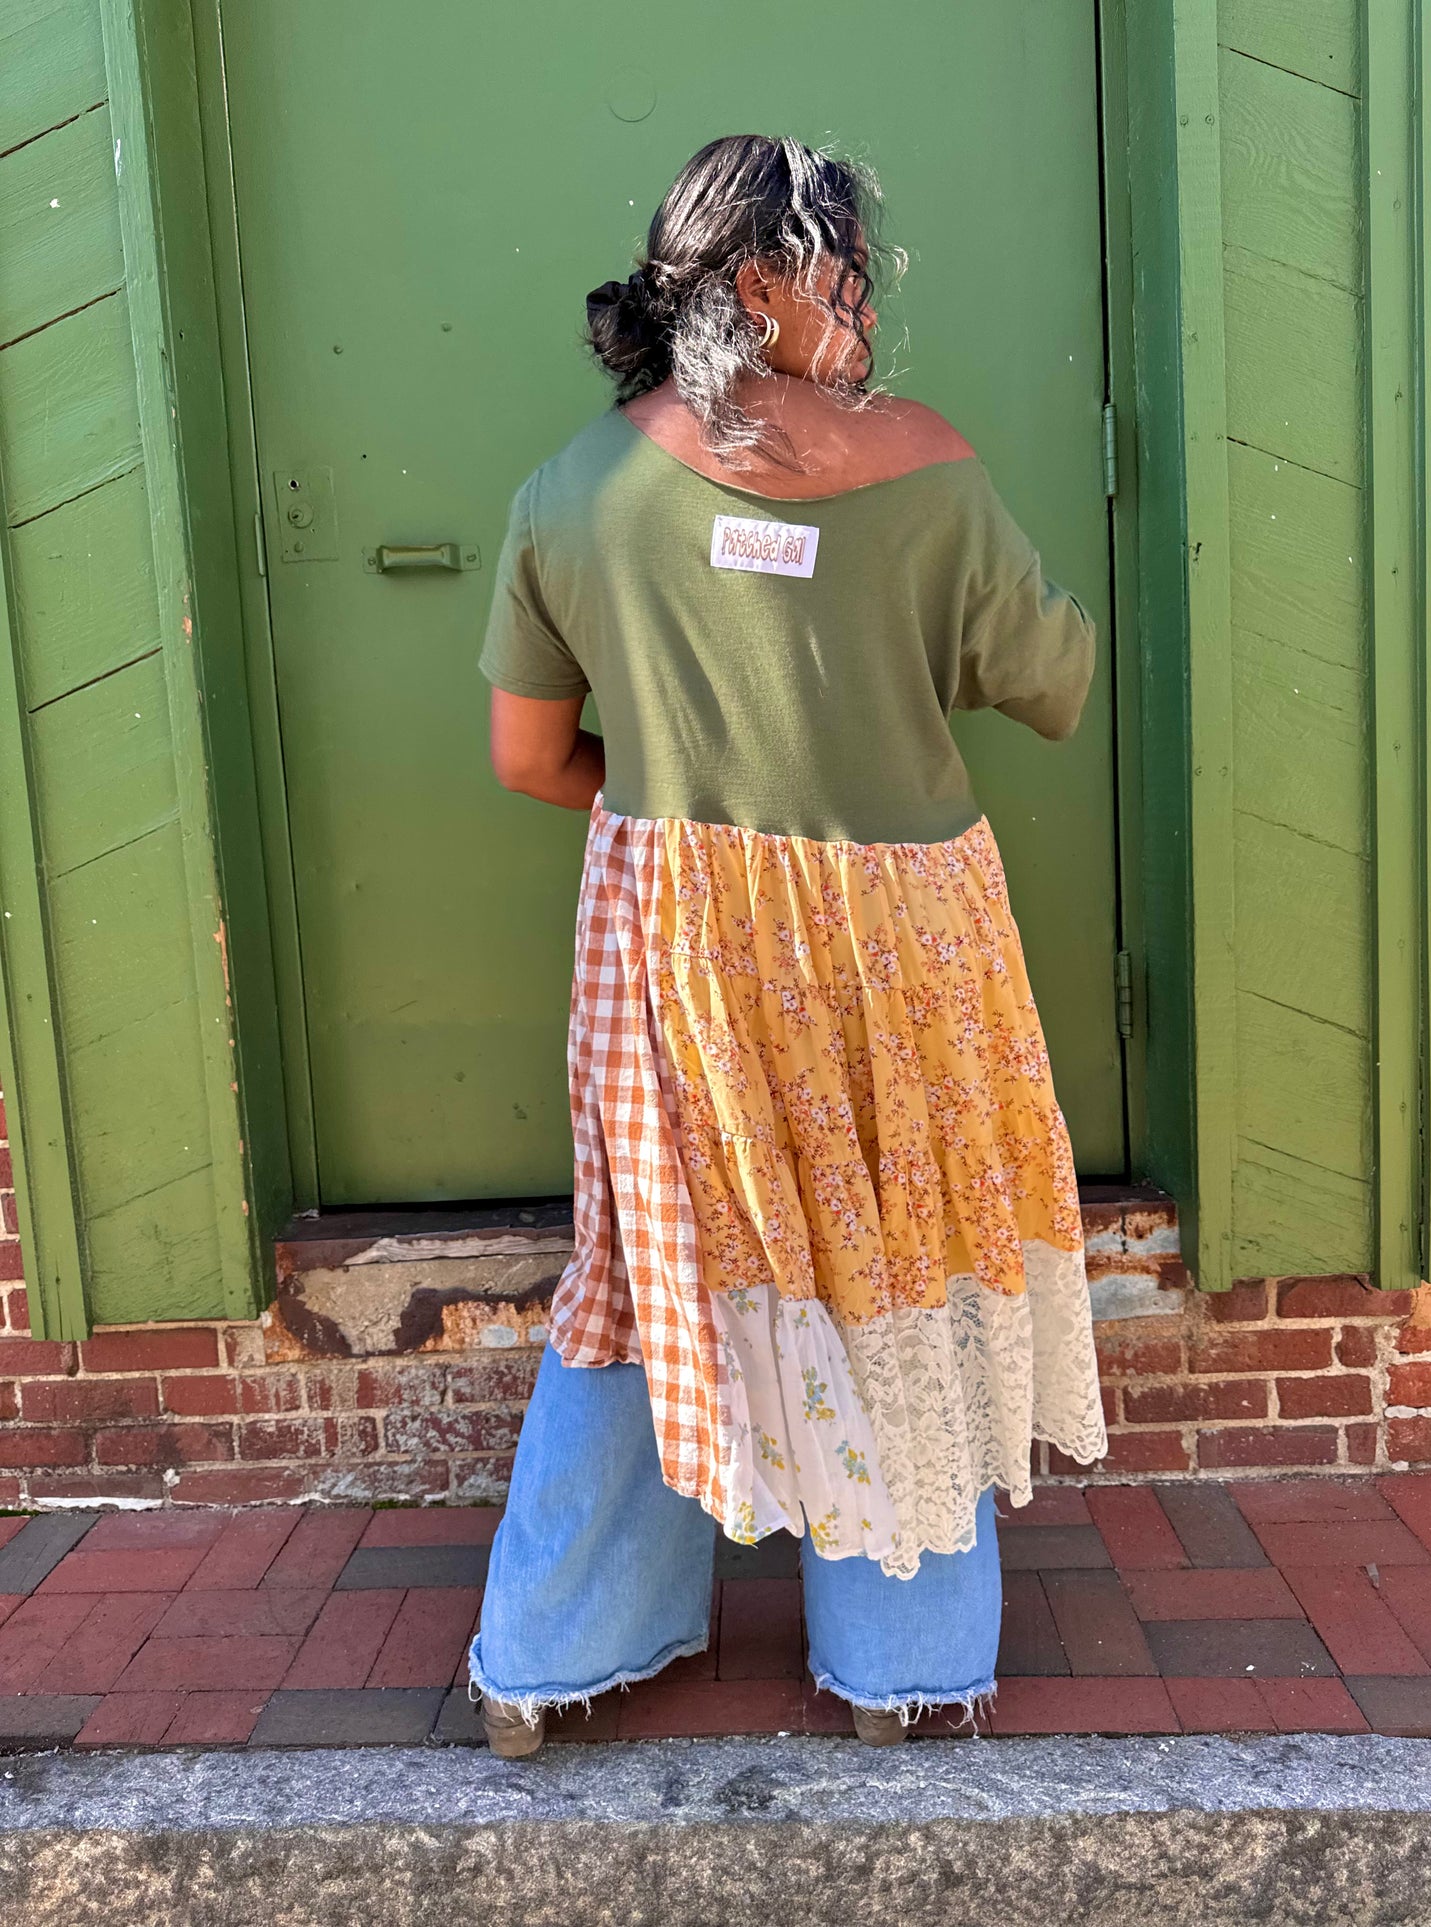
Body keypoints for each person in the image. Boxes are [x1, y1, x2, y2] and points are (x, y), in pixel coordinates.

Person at [467, 133, 1108, 1756]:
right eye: (850, 276)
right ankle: (904, 1661)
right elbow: (1051, 680)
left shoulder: (572, 492)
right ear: (761, 281)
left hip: (675, 936)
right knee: (903, 1255)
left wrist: (685, 805)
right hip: (906, 940)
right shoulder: (929, 463)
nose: (869, 310)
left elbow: (527, 760)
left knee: (649, 1272)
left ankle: (547, 1655)